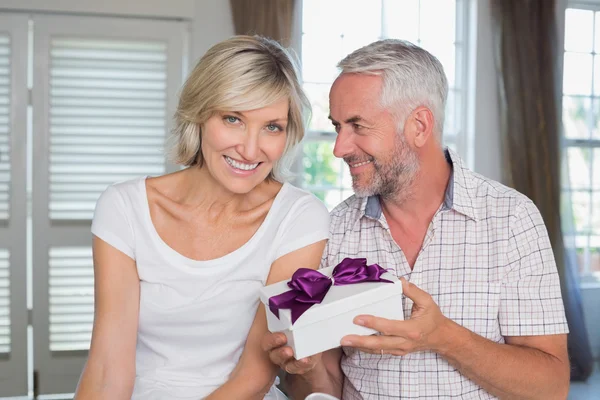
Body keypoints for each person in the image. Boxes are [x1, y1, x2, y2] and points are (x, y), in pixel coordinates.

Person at [263, 39, 570, 399]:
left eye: (358, 126)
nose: (339, 148)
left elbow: (550, 388)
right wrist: (306, 369)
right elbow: (323, 384)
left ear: (420, 125)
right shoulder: (335, 228)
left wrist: (444, 339)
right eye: (337, 127)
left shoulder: (512, 219)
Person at [74, 35, 329, 400]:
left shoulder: (300, 217)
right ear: (199, 113)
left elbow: (253, 377)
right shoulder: (124, 207)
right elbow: (107, 370)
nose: (250, 148)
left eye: (272, 126)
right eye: (233, 119)